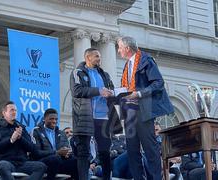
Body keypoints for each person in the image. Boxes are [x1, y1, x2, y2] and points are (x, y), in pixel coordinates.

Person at [117, 36, 174, 180]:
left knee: (150, 148)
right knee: (132, 150)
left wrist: (140, 93)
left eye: (120, 47)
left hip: (144, 109)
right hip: (129, 111)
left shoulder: (146, 60)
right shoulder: (127, 65)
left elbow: (158, 82)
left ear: (127, 48)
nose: (118, 51)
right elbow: (127, 86)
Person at [70, 47, 122, 180]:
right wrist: (99, 91)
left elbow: (110, 90)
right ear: (88, 57)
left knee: (105, 152)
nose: (100, 59)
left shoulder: (105, 75)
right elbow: (77, 91)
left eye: (99, 56)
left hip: (103, 118)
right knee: (83, 153)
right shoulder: (78, 72)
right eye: (97, 56)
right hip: (85, 118)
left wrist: (114, 94)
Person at [0, 101, 47, 180]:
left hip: (22, 163)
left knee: (41, 167)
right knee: (1, 166)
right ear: (4, 113)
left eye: (15, 110)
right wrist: (11, 140)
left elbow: (32, 148)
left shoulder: (21, 127)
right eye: (12, 110)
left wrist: (20, 138)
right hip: (7, 162)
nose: (14, 112)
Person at [31, 108, 78, 179]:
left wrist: (67, 153)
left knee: (77, 161)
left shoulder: (61, 133)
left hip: (60, 161)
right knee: (55, 158)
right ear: (44, 119)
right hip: (43, 161)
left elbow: (67, 149)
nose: (54, 121)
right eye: (51, 119)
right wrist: (57, 152)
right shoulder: (36, 131)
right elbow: (36, 153)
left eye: (56, 119)